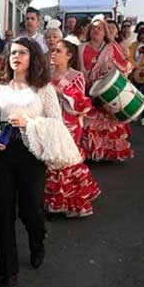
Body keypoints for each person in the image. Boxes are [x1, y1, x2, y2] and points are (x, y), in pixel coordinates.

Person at [0, 38, 82, 287]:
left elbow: (55, 123)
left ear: (33, 58)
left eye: (22, 52)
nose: (16, 56)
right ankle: (8, 272)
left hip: (31, 157)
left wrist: (28, 121)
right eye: (12, 52)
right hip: (4, 156)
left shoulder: (43, 89)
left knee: (30, 211)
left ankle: (37, 238)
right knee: (2, 213)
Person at [45, 36, 101, 218]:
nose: (54, 54)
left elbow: (81, 104)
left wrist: (61, 93)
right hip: (49, 123)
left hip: (69, 125)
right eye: (53, 50)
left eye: (58, 51)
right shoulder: (46, 74)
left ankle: (72, 204)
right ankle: (54, 203)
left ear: (69, 55)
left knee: (66, 163)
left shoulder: (76, 76)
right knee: (51, 161)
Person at [78, 15, 135, 161]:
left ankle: (106, 154)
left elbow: (125, 66)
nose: (96, 30)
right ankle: (90, 153)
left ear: (105, 32)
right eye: (94, 27)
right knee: (87, 125)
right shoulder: (80, 48)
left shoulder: (112, 47)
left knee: (106, 125)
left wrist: (113, 67)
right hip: (86, 91)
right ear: (89, 30)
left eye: (100, 28)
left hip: (106, 93)